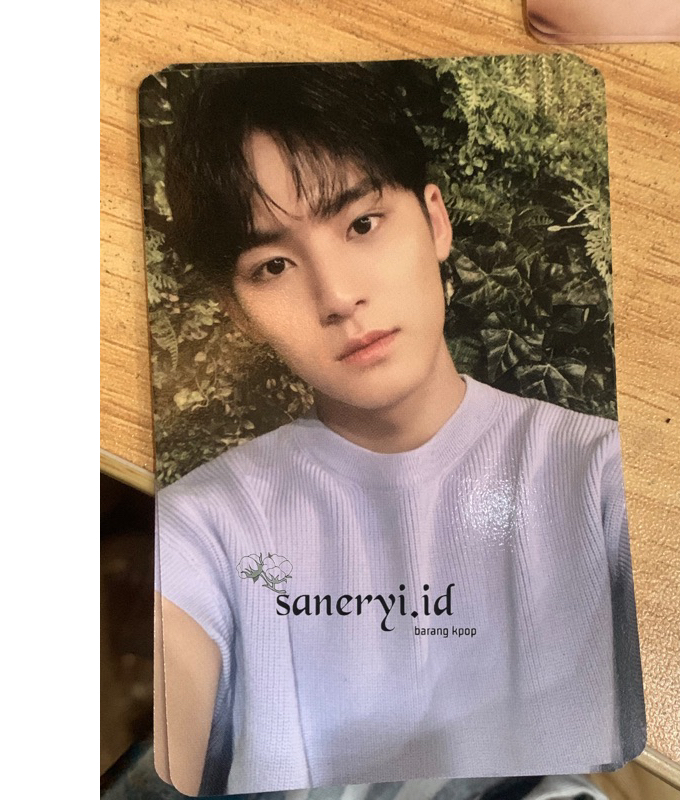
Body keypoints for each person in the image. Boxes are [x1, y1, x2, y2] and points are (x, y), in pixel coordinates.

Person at [152, 62, 645, 797]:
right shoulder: (199, 531)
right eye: (273, 265)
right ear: (237, 312)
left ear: (436, 220)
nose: (338, 295)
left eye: (361, 224)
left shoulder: (606, 477)